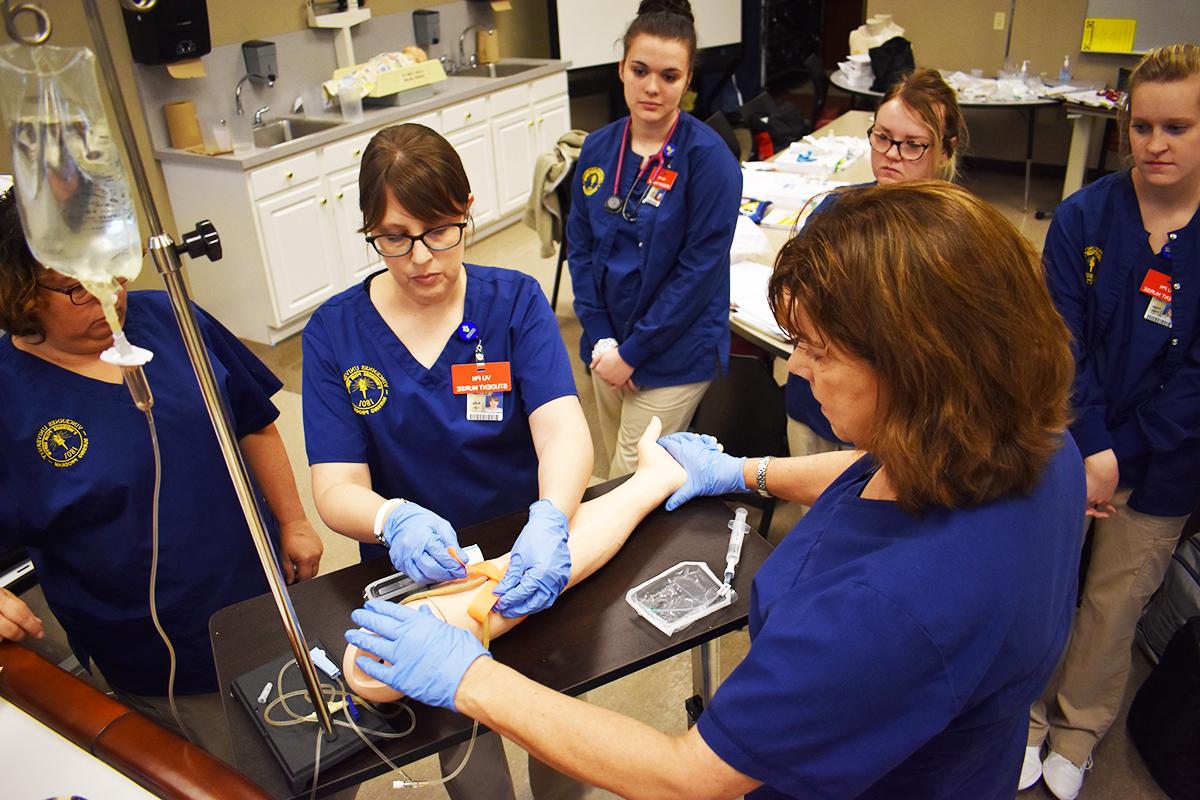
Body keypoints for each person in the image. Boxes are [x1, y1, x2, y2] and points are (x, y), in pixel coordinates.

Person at [343, 182, 1086, 799]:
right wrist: (744, 472)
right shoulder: (1044, 451)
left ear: (920, 369)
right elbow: (882, 474)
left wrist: (467, 677)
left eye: (819, 353)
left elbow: (686, 776)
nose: (796, 372)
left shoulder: (885, 612)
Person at [301, 123, 592, 798]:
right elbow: (336, 486)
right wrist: (393, 518)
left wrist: (551, 520)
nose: (422, 258)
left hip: (524, 561)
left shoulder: (513, 302)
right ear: (370, 230)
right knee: (463, 739)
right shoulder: (336, 333)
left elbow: (563, 432)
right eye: (395, 237)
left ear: (466, 209)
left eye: (440, 230)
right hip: (419, 582)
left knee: (557, 722)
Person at [0, 187, 323, 764]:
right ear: (18, 291)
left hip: (264, 602)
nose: (109, 297)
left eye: (114, 271)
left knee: (322, 755)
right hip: (160, 654)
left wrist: (293, 520)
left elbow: (253, 422)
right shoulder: (9, 398)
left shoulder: (173, 317)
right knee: (234, 774)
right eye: (77, 287)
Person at [1022, 43, 1200, 800]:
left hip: (1163, 465)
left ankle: (1078, 728)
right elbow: (1061, 342)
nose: (1156, 144)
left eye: (1179, 127)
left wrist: (1120, 455)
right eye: (1143, 125)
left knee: (1114, 602)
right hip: (1070, 443)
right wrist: (1090, 445)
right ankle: (1024, 718)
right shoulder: (1083, 217)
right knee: (1046, 583)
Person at [567, 0, 742, 478]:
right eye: (640, 69)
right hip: (607, 345)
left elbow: (698, 275)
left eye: (669, 75)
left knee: (632, 474)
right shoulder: (599, 147)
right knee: (616, 457)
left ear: (687, 81)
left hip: (674, 352)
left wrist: (632, 353)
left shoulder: (709, 161)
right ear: (621, 68)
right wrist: (603, 339)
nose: (651, 87)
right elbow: (580, 250)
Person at [785, 68, 967, 462]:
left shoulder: (957, 235)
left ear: (946, 149)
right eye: (882, 137)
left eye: (913, 145)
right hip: (813, 406)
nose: (891, 155)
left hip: (894, 426)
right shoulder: (837, 208)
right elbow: (791, 296)